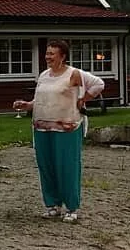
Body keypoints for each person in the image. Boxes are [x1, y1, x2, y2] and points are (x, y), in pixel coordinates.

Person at [13, 39, 101, 223]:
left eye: (52, 54)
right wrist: (27, 105)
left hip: (67, 128)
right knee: (47, 166)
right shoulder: (44, 75)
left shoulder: (74, 74)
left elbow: (98, 84)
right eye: (47, 53)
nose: (48, 57)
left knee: (67, 167)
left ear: (63, 56)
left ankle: (71, 207)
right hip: (42, 127)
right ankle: (52, 205)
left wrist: (83, 99)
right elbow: (42, 100)